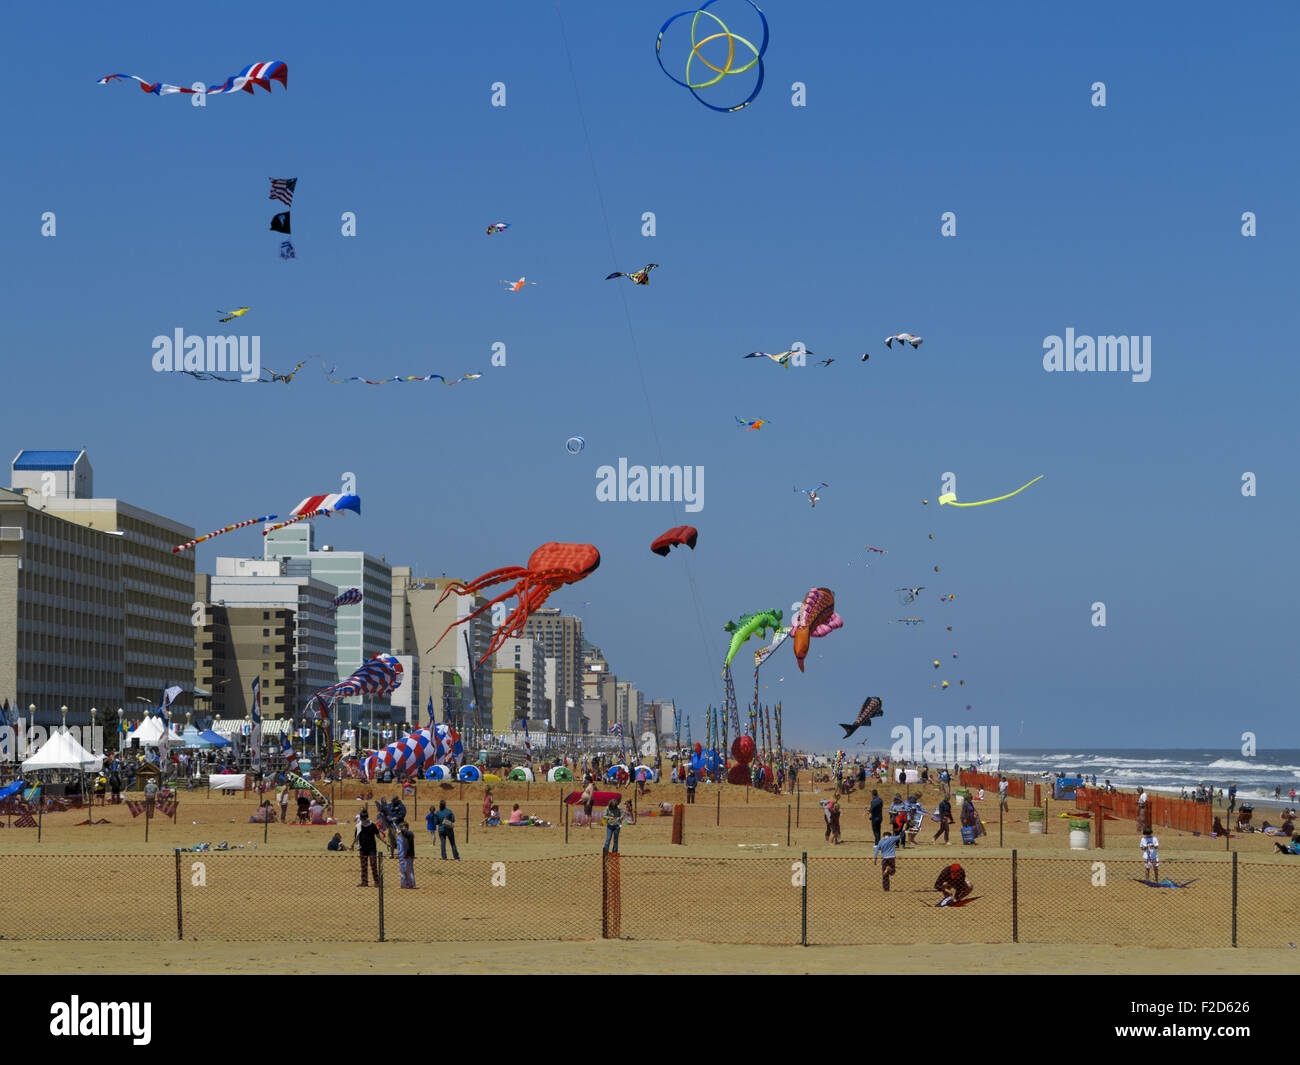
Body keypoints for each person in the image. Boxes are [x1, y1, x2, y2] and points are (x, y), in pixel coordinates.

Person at [351, 810, 381, 886]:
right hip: (362, 848)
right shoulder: (358, 826)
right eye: (362, 818)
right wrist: (352, 845)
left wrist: (386, 843)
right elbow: (356, 837)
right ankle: (364, 882)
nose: (363, 820)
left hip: (372, 848)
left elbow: (378, 835)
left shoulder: (372, 825)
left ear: (367, 818)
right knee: (363, 865)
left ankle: (376, 882)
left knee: (373, 864)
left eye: (364, 818)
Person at [873, 824, 905, 890]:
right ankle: (889, 869)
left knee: (885, 876)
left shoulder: (880, 841)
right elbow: (901, 836)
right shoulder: (892, 838)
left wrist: (875, 859)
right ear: (890, 835)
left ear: (883, 836)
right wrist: (903, 829)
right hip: (891, 857)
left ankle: (886, 889)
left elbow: (877, 851)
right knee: (893, 872)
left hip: (884, 858)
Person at [397, 821, 416, 888]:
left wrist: (402, 831)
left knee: (409, 871)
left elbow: (406, 833)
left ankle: (411, 885)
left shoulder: (409, 833)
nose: (400, 829)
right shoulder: (401, 835)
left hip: (409, 855)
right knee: (402, 871)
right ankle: (404, 884)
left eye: (402, 827)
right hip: (402, 855)